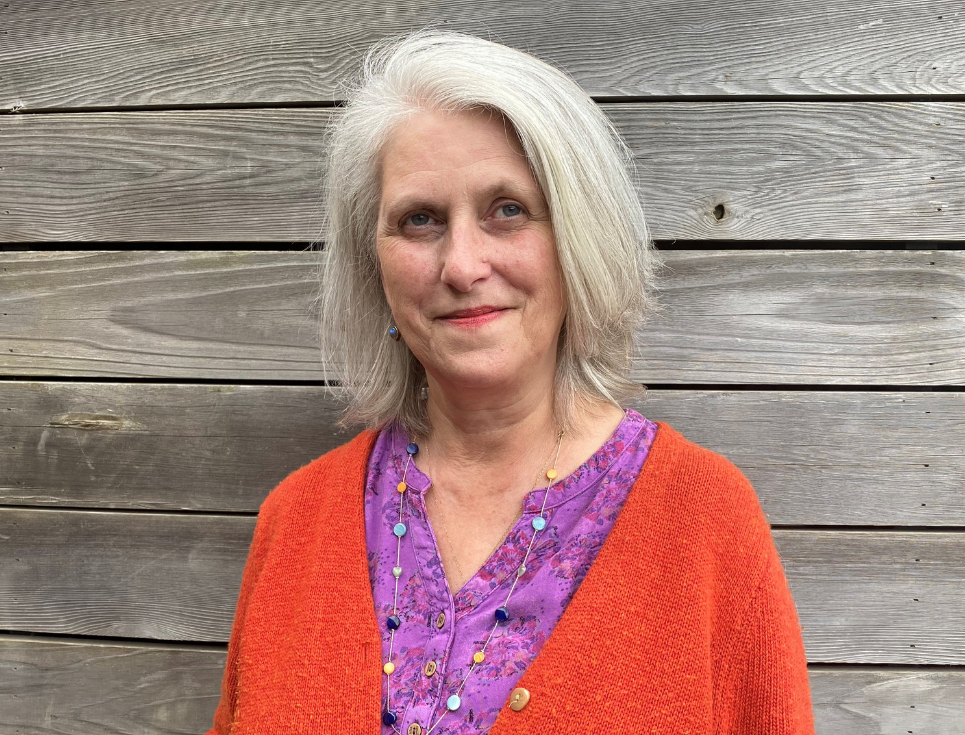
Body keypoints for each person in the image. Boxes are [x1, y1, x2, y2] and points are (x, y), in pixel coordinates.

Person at [206, 30, 815, 735]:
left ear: (578, 240)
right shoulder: (295, 521)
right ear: (373, 264)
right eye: (419, 219)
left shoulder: (705, 521)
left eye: (507, 209)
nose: (462, 265)